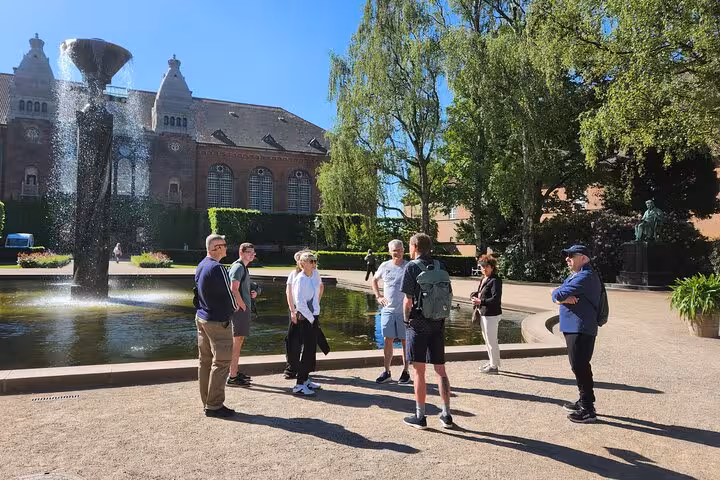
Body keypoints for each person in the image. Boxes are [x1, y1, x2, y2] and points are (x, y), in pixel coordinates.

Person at [400, 233, 454, 429]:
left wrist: (406, 322)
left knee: (419, 372)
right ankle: (446, 414)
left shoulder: (411, 267)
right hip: (438, 322)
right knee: (440, 370)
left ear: (414, 246)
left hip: (418, 324)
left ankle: (420, 417)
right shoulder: (440, 266)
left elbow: (408, 301)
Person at [551, 244, 602, 424]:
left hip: (580, 328)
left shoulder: (585, 276)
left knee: (579, 366)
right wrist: (559, 296)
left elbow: (559, 293)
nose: (567, 259)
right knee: (579, 366)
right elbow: (559, 295)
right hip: (576, 327)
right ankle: (585, 401)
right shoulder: (577, 275)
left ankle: (588, 409)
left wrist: (557, 295)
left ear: (584, 258)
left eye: (571, 255)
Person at [195, 234, 237, 418]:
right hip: (218, 321)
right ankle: (214, 405)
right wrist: (235, 309)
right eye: (224, 245)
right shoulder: (218, 267)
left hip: (202, 317)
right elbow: (230, 296)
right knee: (221, 363)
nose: (227, 248)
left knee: (205, 361)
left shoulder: (202, 265)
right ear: (216, 248)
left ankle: (207, 401)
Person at [372, 239, 410, 384]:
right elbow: (374, 281)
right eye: (394, 250)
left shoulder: (408, 266)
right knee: (388, 340)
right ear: (390, 252)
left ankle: (406, 371)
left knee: (405, 341)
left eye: (400, 250)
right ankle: (386, 371)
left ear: (403, 251)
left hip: (404, 311)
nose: (397, 253)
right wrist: (378, 296)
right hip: (387, 310)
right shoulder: (384, 266)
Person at [284, 250, 324, 379]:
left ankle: (305, 373)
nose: (313, 263)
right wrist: (292, 311)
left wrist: (315, 308)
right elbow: (289, 293)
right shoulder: (296, 275)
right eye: (310, 260)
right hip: (299, 312)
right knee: (293, 341)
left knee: (310, 344)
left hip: (309, 312)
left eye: (314, 260)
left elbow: (320, 288)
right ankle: (292, 369)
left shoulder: (314, 274)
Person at [226, 243, 258, 388]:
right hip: (240, 311)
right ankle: (232, 376)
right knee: (237, 342)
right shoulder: (238, 267)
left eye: (253, 252)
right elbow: (233, 289)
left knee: (238, 342)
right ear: (242, 252)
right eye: (250, 252)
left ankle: (234, 372)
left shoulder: (242, 267)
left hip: (241, 310)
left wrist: (252, 294)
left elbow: (238, 288)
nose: (253, 254)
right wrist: (242, 305)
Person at [471, 254, 503, 375]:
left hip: (491, 314)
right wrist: (473, 296)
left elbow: (495, 299)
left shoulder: (495, 280)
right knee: (487, 339)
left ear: (492, 267)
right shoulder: (484, 278)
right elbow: (480, 292)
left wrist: (481, 301)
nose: (484, 268)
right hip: (484, 313)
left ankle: (494, 366)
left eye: (486, 266)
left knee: (491, 341)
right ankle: (492, 362)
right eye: (482, 266)